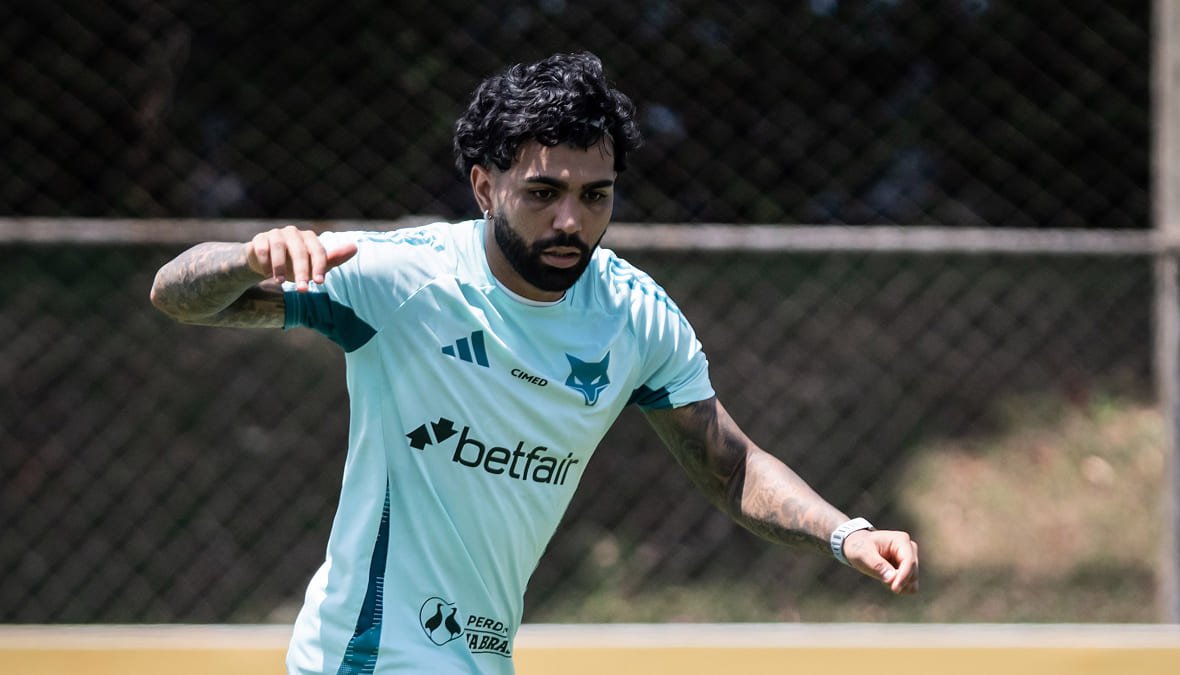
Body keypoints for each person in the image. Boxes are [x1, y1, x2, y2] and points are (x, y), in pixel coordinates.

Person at [149, 51, 918, 674]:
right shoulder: (405, 278)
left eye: (596, 195)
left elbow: (732, 466)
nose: (571, 220)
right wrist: (246, 258)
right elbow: (177, 294)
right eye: (543, 191)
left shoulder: (634, 315)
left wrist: (842, 532)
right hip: (367, 656)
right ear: (485, 186)